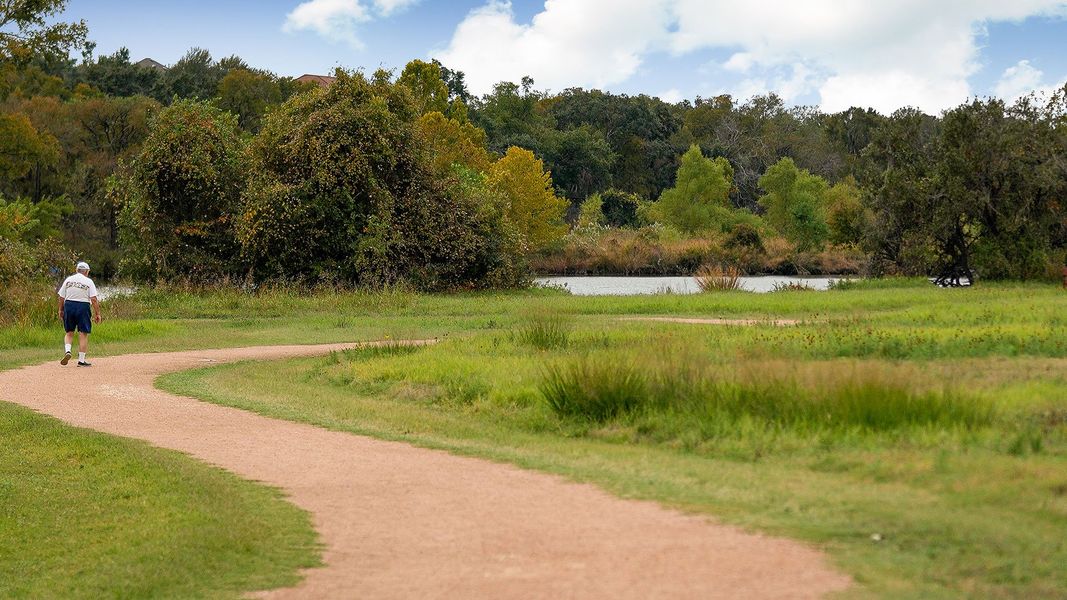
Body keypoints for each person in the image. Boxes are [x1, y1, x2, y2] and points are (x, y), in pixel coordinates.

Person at [57, 261, 101, 367]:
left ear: (77, 270)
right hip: (83, 306)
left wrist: (60, 309)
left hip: (69, 305)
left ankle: (68, 350)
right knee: (83, 333)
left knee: (69, 332)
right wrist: (97, 314)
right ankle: (81, 360)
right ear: (86, 271)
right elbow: (93, 299)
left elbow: (61, 297)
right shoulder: (88, 281)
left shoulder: (68, 280)